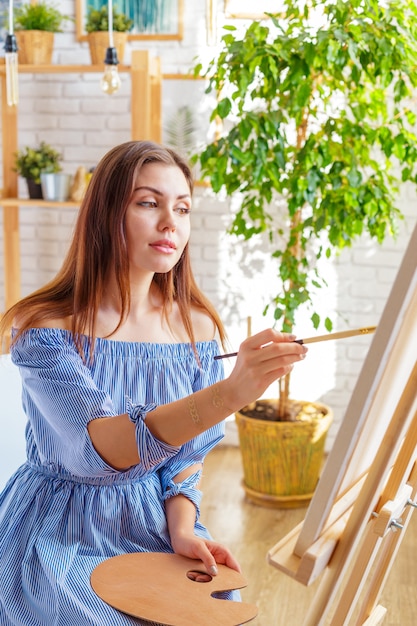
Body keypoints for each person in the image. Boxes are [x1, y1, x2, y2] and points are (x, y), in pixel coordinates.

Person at [0, 140, 308, 625]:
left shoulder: (197, 328)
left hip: (152, 525)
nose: (171, 223)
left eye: (182, 208)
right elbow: (104, 451)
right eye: (149, 203)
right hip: (58, 532)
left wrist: (183, 529)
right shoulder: (45, 328)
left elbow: (186, 459)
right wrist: (228, 394)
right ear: (106, 214)